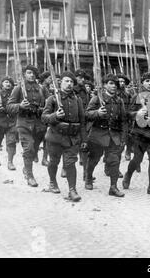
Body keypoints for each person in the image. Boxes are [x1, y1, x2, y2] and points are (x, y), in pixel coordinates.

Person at [41, 72, 85, 202]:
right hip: (55, 137)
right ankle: (53, 182)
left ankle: (72, 190)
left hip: (72, 138)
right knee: (54, 161)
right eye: (66, 81)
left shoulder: (77, 100)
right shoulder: (53, 99)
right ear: (60, 83)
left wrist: (84, 139)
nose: (69, 84)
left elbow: (82, 121)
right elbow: (44, 118)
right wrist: (55, 116)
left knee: (70, 163)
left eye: (71, 82)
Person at [84, 74, 128, 197]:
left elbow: (123, 120)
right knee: (94, 158)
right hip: (98, 134)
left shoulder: (119, 101)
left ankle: (113, 187)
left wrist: (123, 137)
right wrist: (97, 113)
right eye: (110, 83)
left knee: (114, 161)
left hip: (113, 135)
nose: (114, 86)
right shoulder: (97, 98)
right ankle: (88, 178)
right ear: (104, 85)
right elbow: (87, 114)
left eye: (115, 84)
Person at [123, 73, 150, 197]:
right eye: (147, 81)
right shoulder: (137, 97)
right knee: (137, 160)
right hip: (139, 134)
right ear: (142, 82)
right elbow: (128, 113)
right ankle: (128, 174)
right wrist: (138, 113)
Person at [7, 65, 49, 187]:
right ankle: (30, 175)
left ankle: (26, 168)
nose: (31, 75)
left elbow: (49, 104)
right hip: (24, 123)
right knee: (28, 148)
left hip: (38, 124)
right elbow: (9, 106)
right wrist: (20, 106)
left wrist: (43, 108)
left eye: (33, 73)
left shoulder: (41, 88)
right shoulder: (19, 88)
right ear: (24, 74)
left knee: (34, 150)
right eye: (28, 73)